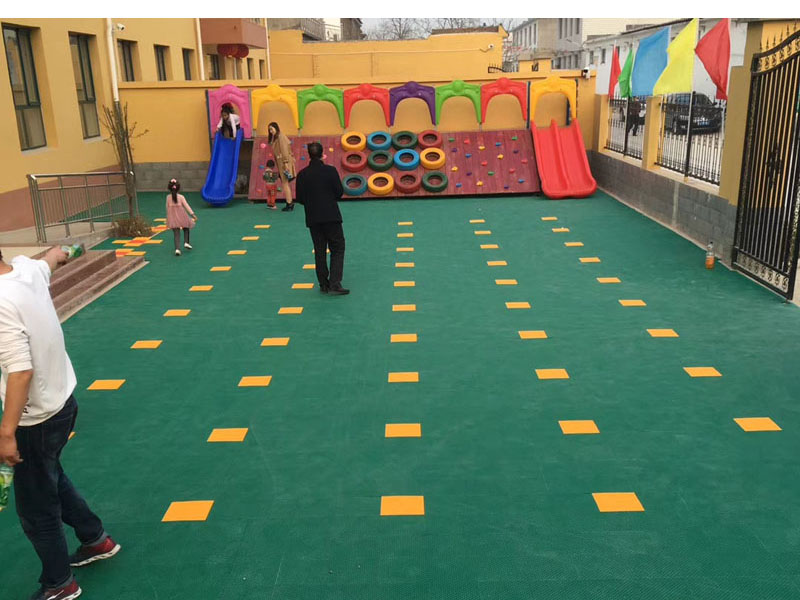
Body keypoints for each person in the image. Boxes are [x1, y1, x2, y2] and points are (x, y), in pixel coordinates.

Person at [0, 247, 121, 600]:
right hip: (63, 403)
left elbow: (21, 372)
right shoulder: (25, 270)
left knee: (37, 509)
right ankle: (95, 538)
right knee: (50, 474)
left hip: (33, 419)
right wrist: (62, 252)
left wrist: (6, 433)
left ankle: (60, 583)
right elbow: (51, 257)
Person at [295, 141, 349, 295]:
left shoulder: (302, 175)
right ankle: (335, 283)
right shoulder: (330, 171)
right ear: (322, 154)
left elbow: (300, 198)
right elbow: (339, 192)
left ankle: (323, 283)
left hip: (313, 217)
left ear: (309, 155)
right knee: (337, 247)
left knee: (319, 250)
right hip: (331, 215)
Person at [267, 122, 297, 212]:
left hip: (284, 163)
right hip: (282, 163)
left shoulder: (280, 137)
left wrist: (286, 163)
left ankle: (289, 203)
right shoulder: (277, 137)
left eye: (271, 129)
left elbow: (284, 150)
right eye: (269, 130)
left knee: (285, 183)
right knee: (285, 183)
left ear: (276, 128)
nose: (271, 131)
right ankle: (289, 202)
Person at [166, 179, 197, 256]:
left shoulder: (168, 197)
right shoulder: (181, 197)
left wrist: (168, 217)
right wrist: (192, 214)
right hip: (182, 215)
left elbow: (167, 207)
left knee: (176, 233)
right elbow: (186, 206)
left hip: (172, 216)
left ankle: (177, 249)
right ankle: (186, 242)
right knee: (186, 228)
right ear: (178, 188)